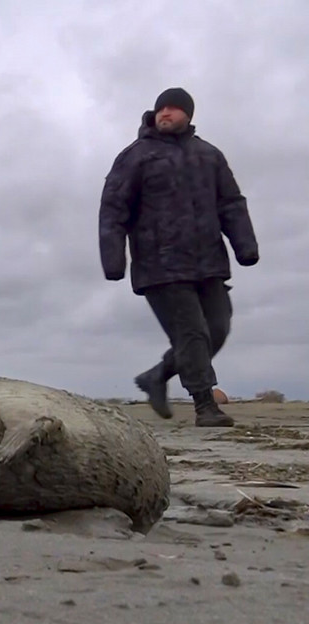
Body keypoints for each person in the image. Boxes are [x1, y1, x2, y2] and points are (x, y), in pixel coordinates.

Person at [99, 87, 258, 427]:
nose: (165, 113)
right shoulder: (136, 156)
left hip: (208, 263)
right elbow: (113, 208)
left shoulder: (210, 155)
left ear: (188, 114)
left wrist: (245, 246)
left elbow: (231, 202)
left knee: (217, 328)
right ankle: (205, 405)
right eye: (161, 109)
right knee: (192, 333)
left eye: (173, 108)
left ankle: (157, 375)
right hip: (160, 265)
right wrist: (114, 259)